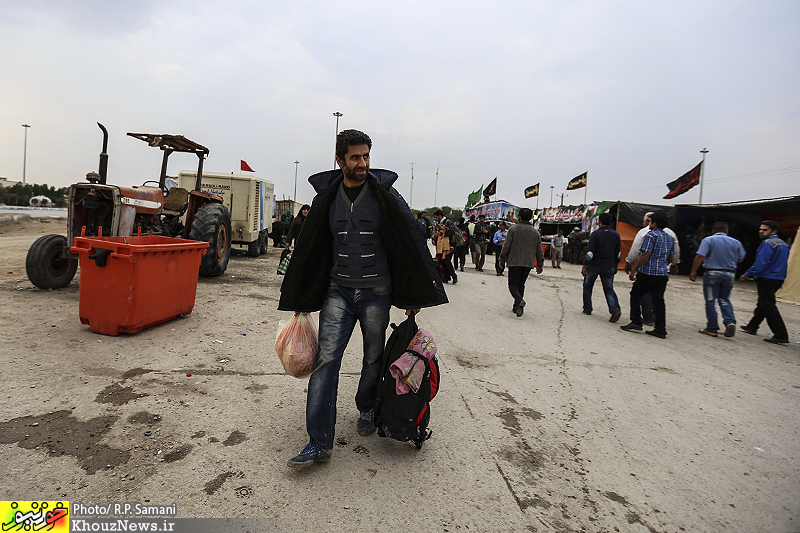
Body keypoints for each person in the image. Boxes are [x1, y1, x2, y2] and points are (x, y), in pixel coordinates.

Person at [278, 129, 448, 468]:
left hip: (377, 293)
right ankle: (318, 442)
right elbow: (311, 248)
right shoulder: (327, 199)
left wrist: (414, 293)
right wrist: (301, 294)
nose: (363, 163)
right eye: (355, 157)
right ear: (339, 160)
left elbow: (408, 242)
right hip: (337, 291)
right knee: (326, 363)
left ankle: (366, 407)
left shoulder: (385, 196)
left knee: (373, 358)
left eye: (366, 156)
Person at [620, 211, 674, 339]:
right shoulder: (669, 237)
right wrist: (662, 264)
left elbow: (645, 254)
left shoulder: (650, 236)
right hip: (662, 274)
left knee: (635, 294)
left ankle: (636, 322)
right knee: (659, 301)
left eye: (650, 222)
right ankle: (660, 329)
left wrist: (634, 269)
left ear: (654, 223)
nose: (648, 224)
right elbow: (671, 257)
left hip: (648, 273)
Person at [689, 221, 746, 337]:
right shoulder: (736, 242)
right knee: (725, 299)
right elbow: (741, 259)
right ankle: (730, 322)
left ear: (713, 231)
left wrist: (693, 270)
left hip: (712, 273)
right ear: (727, 231)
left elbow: (700, 255)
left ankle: (712, 328)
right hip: (730, 274)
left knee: (711, 300)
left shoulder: (708, 240)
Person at [739, 220, 790, 344]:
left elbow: (761, 262)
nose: (761, 232)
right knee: (763, 303)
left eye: (764, 230)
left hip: (767, 277)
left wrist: (748, 274)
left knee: (768, 305)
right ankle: (752, 326)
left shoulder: (767, 243)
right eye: (760, 229)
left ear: (774, 231)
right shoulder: (783, 244)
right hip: (778, 278)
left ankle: (781, 334)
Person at [498, 208, 544, 317]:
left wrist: (502, 258)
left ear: (520, 217)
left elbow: (507, 246)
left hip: (514, 261)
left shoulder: (513, 229)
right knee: (521, 284)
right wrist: (540, 264)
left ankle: (519, 300)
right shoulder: (535, 232)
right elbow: (539, 249)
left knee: (512, 284)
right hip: (528, 263)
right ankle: (517, 307)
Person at [582, 212, 622, 322]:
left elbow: (590, 253)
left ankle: (587, 308)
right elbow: (618, 254)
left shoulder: (595, 234)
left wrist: (585, 266)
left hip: (594, 264)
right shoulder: (616, 235)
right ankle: (615, 309)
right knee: (608, 288)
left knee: (588, 285)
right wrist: (616, 265)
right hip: (609, 265)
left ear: (599, 222)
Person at [433, 210, 458, 284]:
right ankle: (445, 277)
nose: (435, 219)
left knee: (447, 261)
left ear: (440, 216)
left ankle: (454, 276)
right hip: (442, 246)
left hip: (450, 245)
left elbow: (452, 231)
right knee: (441, 261)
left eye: (436, 217)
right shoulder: (438, 224)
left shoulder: (448, 222)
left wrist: (442, 233)